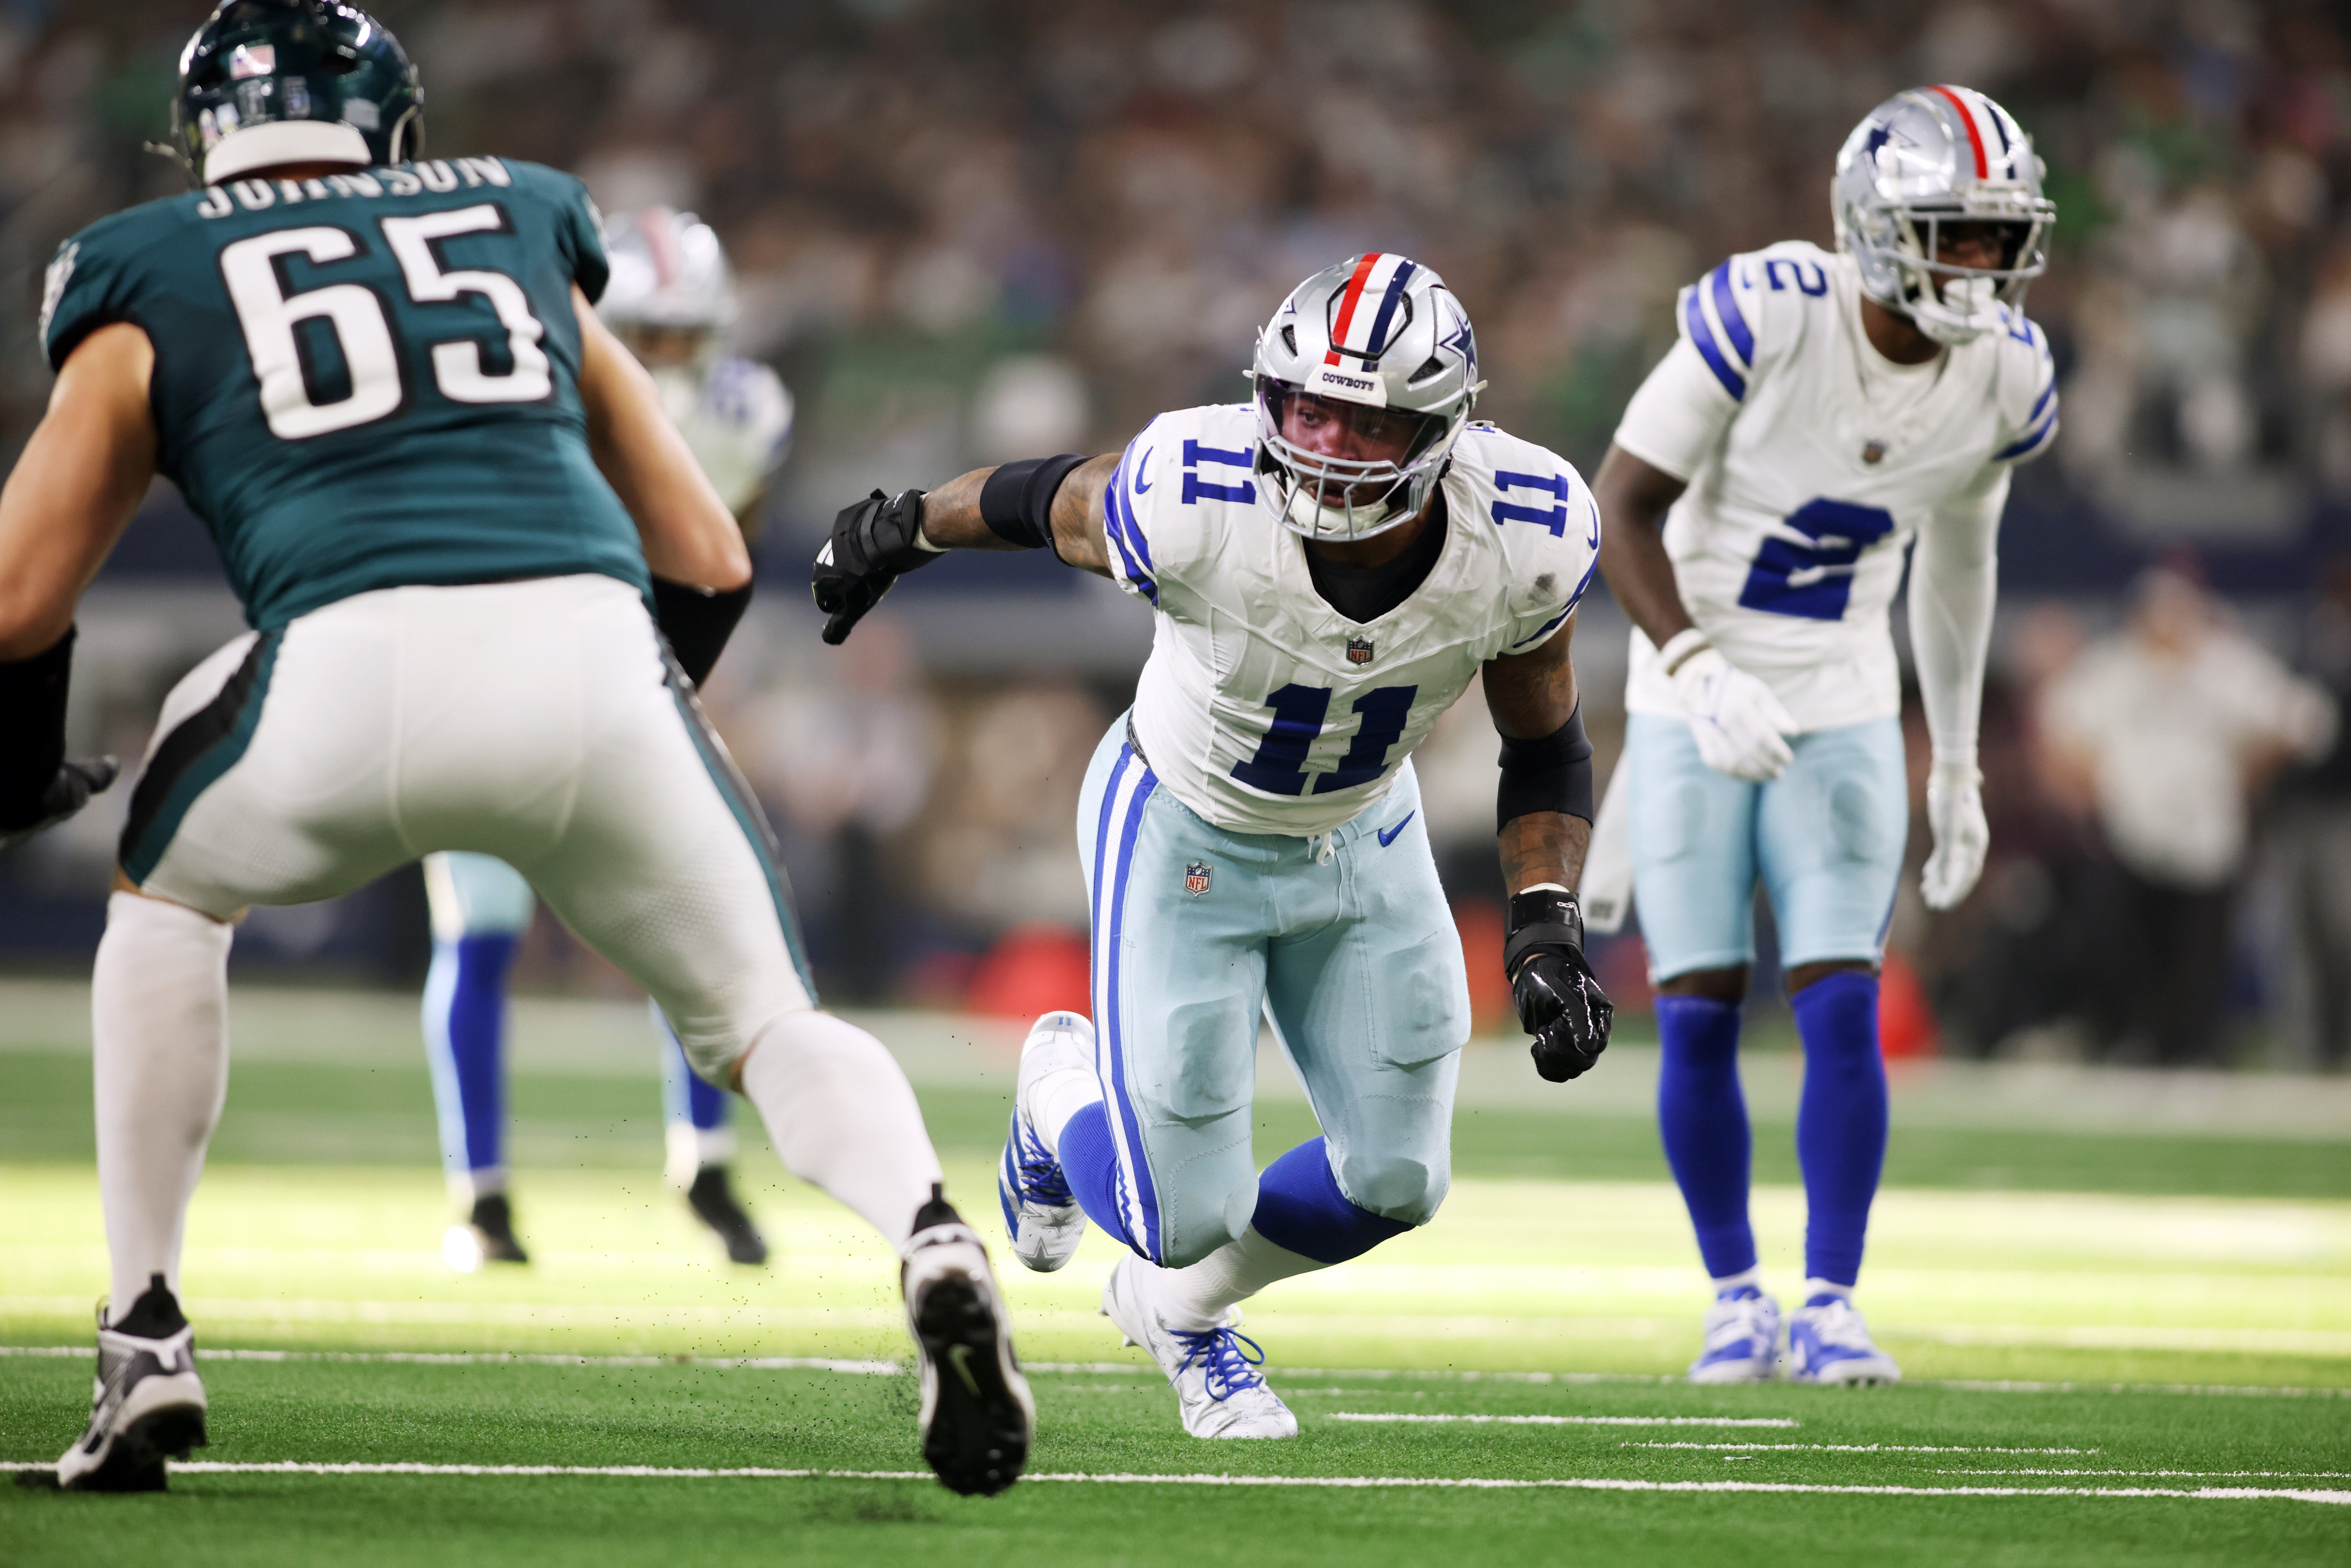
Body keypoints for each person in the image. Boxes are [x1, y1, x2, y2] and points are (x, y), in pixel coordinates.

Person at [0, 0, 1026, 1497]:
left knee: (167, 897)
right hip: (596, 649)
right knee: (764, 1020)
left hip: (334, 662)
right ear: (391, 127)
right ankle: (930, 1227)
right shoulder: (518, 211)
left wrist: (22, 770)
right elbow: (708, 553)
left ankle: (145, 1331)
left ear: (209, 138)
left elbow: (25, 593)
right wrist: (621, 730)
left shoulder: (147, 261)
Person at [815, 251, 1615, 1438]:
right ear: (1266, 397)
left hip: (1363, 828)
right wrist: (899, 528)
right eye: (1307, 411)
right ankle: (1056, 1094)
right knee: (1177, 1206)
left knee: (1398, 1181)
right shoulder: (1197, 492)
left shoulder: (1525, 531)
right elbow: (1047, 499)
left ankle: (1178, 1316)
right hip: (1184, 828)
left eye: (1366, 423)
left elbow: (1544, 745)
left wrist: (1546, 926)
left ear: (1442, 429)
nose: (1328, 447)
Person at [1586, 85, 2061, 1385]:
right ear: (1872, 223)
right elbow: (1618, 507)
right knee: (1693, 1009)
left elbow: (1960, 571)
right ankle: (1733, 1294)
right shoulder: (1769, 313)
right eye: (1952, 233)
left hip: (1845, 697)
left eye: (1994, 236)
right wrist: (1689, 667)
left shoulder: (2008, 373)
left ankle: (1833, 1298)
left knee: (1842, 1002)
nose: (1978, 262)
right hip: (1697, 693)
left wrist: (1955, 759)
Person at [419, 207, 794, 1270]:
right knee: (483, 934)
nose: (669, 358)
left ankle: (706, 1160)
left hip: (628, 684)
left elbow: (724, 557)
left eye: (686, 334)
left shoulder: (747, 407)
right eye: (648, 334)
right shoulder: (517, 386)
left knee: (695, 920)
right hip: (493, 677)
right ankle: (481, 1194)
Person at [2039, 565, 2335, 1065]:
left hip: (2207, 841)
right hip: (2133, 839)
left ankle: (2195, 1048)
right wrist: (2101, 786)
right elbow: (2060, 728)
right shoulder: (2117, 669)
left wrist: (2245, 774)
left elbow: (2306, 722)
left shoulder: (2225, 669)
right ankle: (2141, 1041)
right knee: (2133, 954)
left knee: (2198, 959)